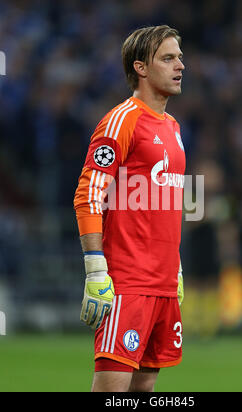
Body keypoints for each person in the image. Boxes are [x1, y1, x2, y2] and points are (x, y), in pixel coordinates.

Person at [74, 25, 186, 392]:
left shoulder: (173, 127)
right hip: (128, 285)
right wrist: (95, 270)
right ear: (141, 68)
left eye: (180, 57)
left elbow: (164, 201)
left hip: (164, 286)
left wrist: (177, 267)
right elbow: (88, 194)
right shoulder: (121, 120)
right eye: (168, 58)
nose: (180, 65)